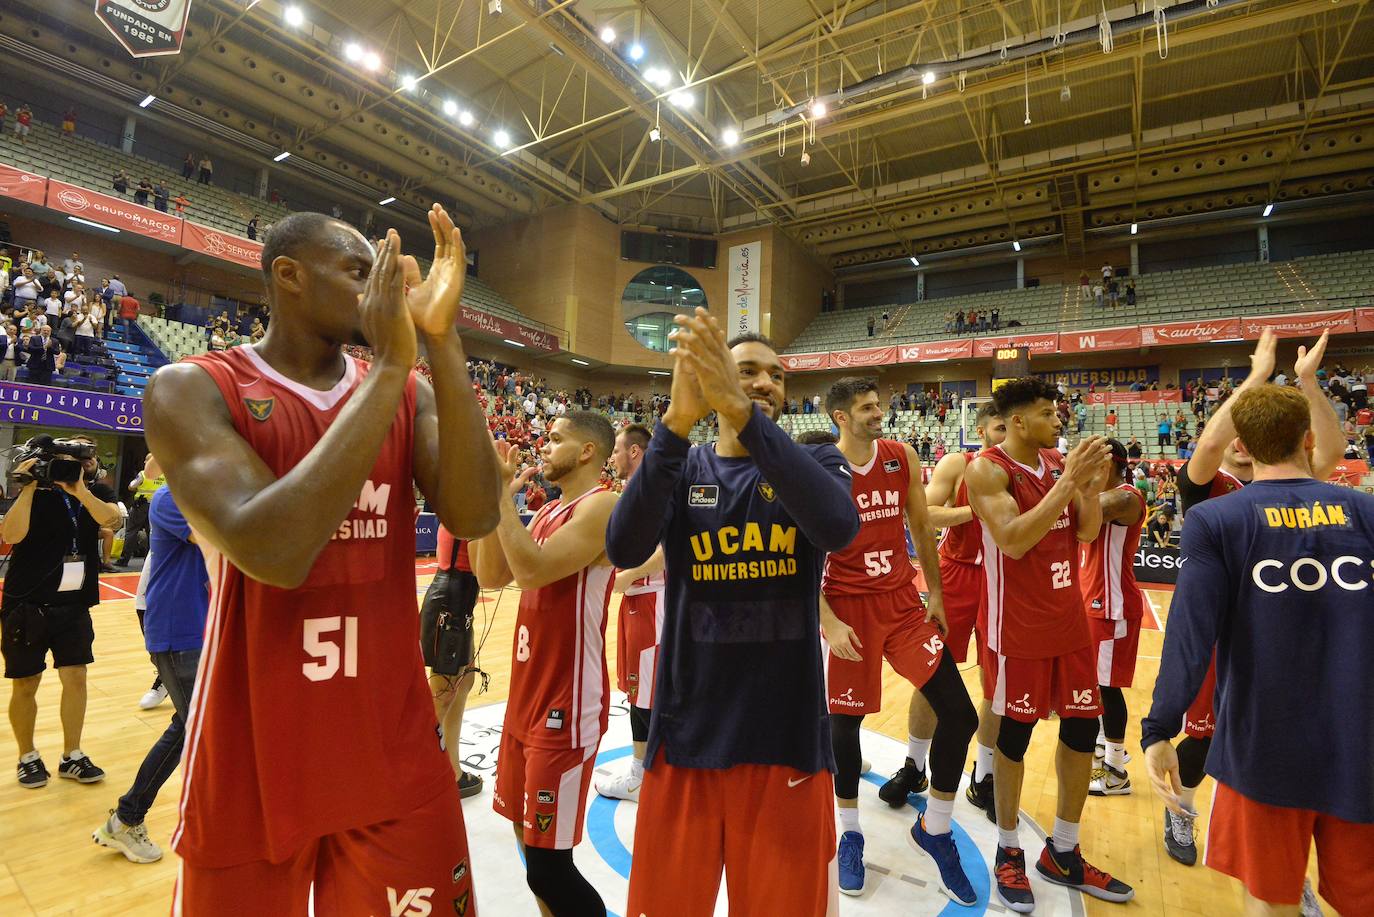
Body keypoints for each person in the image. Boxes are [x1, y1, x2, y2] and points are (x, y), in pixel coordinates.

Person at [141, 207, 501, 912]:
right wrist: (395, 362)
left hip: (392, 749)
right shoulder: (191, 388)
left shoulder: (409, 391)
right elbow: (274, 550)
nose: (380, 292)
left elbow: (475, 512)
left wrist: (440, 337)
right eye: (358, 271)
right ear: (289, 277)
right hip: (252, 760)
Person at [606, 314, 859, 916]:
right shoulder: (684, 467)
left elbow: (838, 526)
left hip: (786, 738)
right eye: (747, 372)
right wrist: (674, 421)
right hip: (687, 734)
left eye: (775, 375)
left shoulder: (817, 463)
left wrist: (742, 412)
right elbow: (624, 547)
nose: (766, 383)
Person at [1142, 384, 1374, 917]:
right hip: (1360, 738)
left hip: (1264, 741)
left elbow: (1189, 633)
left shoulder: (1217, 520)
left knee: (1271, 901)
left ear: (1241, 442)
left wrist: (1159, 727)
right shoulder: (1363, 514)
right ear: (1309, 438)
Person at [1162, 330, 1344, 866]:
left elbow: (1330, 449)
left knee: (1279, 748)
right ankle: (1182, 812)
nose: (1236, 443)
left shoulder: (1295, 481)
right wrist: (1257, 378)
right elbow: (1209, 447)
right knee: (1197, 741)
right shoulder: (1208, 488)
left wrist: (1308, 383)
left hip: (1282, 637)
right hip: (1219, 639)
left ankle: (1289, 863)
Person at [965, 378, 1133, 911]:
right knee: (1015, 739)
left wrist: (1084, 486)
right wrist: (1066, 486)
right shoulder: (987, 468)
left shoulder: (1058, 465)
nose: (1058, 420)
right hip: (1017, 629)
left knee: (1083, 732)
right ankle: (1009, 849)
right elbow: (1012, 541)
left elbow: (1085, 533)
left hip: (1069, 623)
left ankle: (1062, 849)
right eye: (1045, 413)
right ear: (1017, 422)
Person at [819, 377, 979, 903]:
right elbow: (800, 559)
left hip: (902, 604)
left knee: (960, 715)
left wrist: (934, 590)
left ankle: (933, 829)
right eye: (866, 408)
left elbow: (919, 523)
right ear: (841, 417)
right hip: (847, 610)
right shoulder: (821, 467)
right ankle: (849, 832)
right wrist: (827, 621)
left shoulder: (901, 455)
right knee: (845, 724)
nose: (878, 412)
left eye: (879, 404)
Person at [470, 411, 618, 916]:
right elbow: (491, 574)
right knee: (525, 837)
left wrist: (502, 499)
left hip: (567, 701)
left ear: (586, 452)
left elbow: (529, 572)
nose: (543, 446)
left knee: (549, 865)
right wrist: (488, 500)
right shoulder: (549, 512)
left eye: (555, 440)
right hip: (525, 697)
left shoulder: (602, 505)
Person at [93, 477, 208, 863]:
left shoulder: (201, 492)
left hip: (200, 628)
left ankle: (126, 819)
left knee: (189, 726)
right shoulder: (171, 496)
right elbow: (225, 541)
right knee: (202, 729)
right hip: (178, 631)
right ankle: (128, 819)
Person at [1, 436, 122, 788]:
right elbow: (11, 534)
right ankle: (27, 756)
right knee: (25, 682)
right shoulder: (33, 493)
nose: (71, 466)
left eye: (79, 459)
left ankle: (73, 754)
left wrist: (79, 491)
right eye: (62, 460)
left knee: (76, 677)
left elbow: (111, 520)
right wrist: (27, 487)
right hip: (27, 602)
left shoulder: (92, 491)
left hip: (74, 603)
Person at [914, 404, 1008, 813]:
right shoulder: (959, 463)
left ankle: (984, 774)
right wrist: (976, 509)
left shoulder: (1030, 473)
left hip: (1002, 580)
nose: (1006, 433)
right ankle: (914, 765)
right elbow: (924, 513)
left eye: (1012, 426)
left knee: (998, 681)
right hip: (955, 576)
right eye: (999, 426)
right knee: (932, 672)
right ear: (982, 429)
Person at [596, 423, 664, 802]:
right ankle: (655, 768)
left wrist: (628, 576)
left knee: (645, 694)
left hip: (654, 599)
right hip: (640, 600)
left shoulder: (654, 491)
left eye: (617, 451)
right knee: (640, 690)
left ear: (635, 452)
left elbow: (671, 549)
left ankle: (641, 775)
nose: (613, 458)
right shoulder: (633, 491)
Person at [1080, 440, 1147, 798]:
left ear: (1106, 465)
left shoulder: (1126, 498)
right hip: (1094, 603)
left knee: (1107, 688)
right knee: (1096, 684)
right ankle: (1107, 748)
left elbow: (1079, 512)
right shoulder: (1101, 494)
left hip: (1112, 607)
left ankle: (1116, 771)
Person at [419, 524, 485, 798]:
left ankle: (452, 771)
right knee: (442, 696)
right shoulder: (471, 511)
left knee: (464, 681)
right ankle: (416, 777)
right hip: (452, 603)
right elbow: (490, 571)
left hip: (458, 600)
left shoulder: (468, 505)